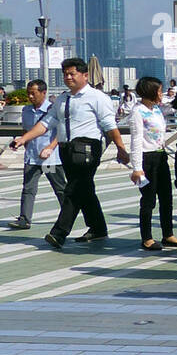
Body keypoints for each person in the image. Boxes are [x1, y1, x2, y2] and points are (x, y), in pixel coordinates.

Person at [7, 57, 129, 250]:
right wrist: (24, 138)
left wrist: (121, 149)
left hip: (87, 149)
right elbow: (46, 123)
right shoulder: (63, 99)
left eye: (72, 74)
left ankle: (59, 233)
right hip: (67, 150)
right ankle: (98, 228)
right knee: (85, 190)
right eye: (65, 74)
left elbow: (110, 126)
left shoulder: (98, 98)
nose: (68, 77)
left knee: (73, 189)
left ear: (85, 75)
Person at [129, 76, 177, 250]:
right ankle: (147, 237)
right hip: (147, 159)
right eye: (159, 91)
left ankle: (168, 234)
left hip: (160, 156)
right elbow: (136, 140)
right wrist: (137, 168)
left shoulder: (155, 110)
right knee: (148, 200)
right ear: (150, 92)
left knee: (166, 197)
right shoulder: (137, 112)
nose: (162, 94)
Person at [6, 79, 67, 230]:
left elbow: (60, 132)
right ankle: (24, 219)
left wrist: (51, 148)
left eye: (33, 93)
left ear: (43, 93)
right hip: (32, 158)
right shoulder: (26, 110)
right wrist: (22, 142)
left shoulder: (52, 110)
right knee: (28, 188)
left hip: (49, 160)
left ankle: (68, 216)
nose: (30, 96)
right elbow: (26, 130)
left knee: (59, 188)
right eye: (28, 93)